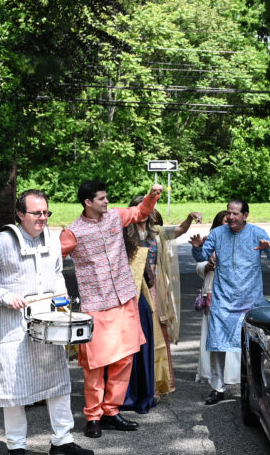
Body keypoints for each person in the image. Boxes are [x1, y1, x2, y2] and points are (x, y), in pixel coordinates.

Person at [0, 190, 94, 455]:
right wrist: (4, 296)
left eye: (46, 212)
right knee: (14, 385)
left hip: (47, 323)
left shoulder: (52, 238)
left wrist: (62, 306)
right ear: (20, 214)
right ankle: (16, 447)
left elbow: (58, 274)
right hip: (13, 324)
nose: (42, 218)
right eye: (36, 213)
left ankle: (62, 441)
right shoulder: (2, 242)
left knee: (58, 382)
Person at [60, 180, 162, 438]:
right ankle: (93, 416)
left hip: (125, 299)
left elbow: (140, 212)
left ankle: (111, 412)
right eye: (102, 198)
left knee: (125, 358)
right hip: (96, 305)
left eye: (107, 198)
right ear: (88, 202)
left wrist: (152, 196)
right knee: (94, 364)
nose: (107, 202)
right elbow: (51, 257)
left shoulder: (116, 216)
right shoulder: (73, 232)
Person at [192, 200, 270, 404]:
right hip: (223, 298)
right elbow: (202, 255)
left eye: (235, 213)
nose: (231, 217)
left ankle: (252, 387)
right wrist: (197, 249)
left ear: (246, 215)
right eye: (229, 212)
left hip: (249, 300)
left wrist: (268, 249)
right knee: (217, 345)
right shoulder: (218, 234)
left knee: (252, 345)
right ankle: (217, 387)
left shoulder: (256, 232)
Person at [121, 202, 199, 413]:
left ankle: (155, 385)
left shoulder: (156, 232)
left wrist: (190, 217)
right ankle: (131, 388)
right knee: (134, 336)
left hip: (155, 287)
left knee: (156, 336)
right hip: (134, 289)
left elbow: (180, 230)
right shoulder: (124, 234)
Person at [194, 211, 239, 386]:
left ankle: (233, 374)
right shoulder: (210, 239)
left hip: (233, 293)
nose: (228, 223)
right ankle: (210, 375)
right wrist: (207, 265)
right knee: (210, 333)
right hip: (212, 290)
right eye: (225, 221)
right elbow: (199, 265)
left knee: (233, 332)